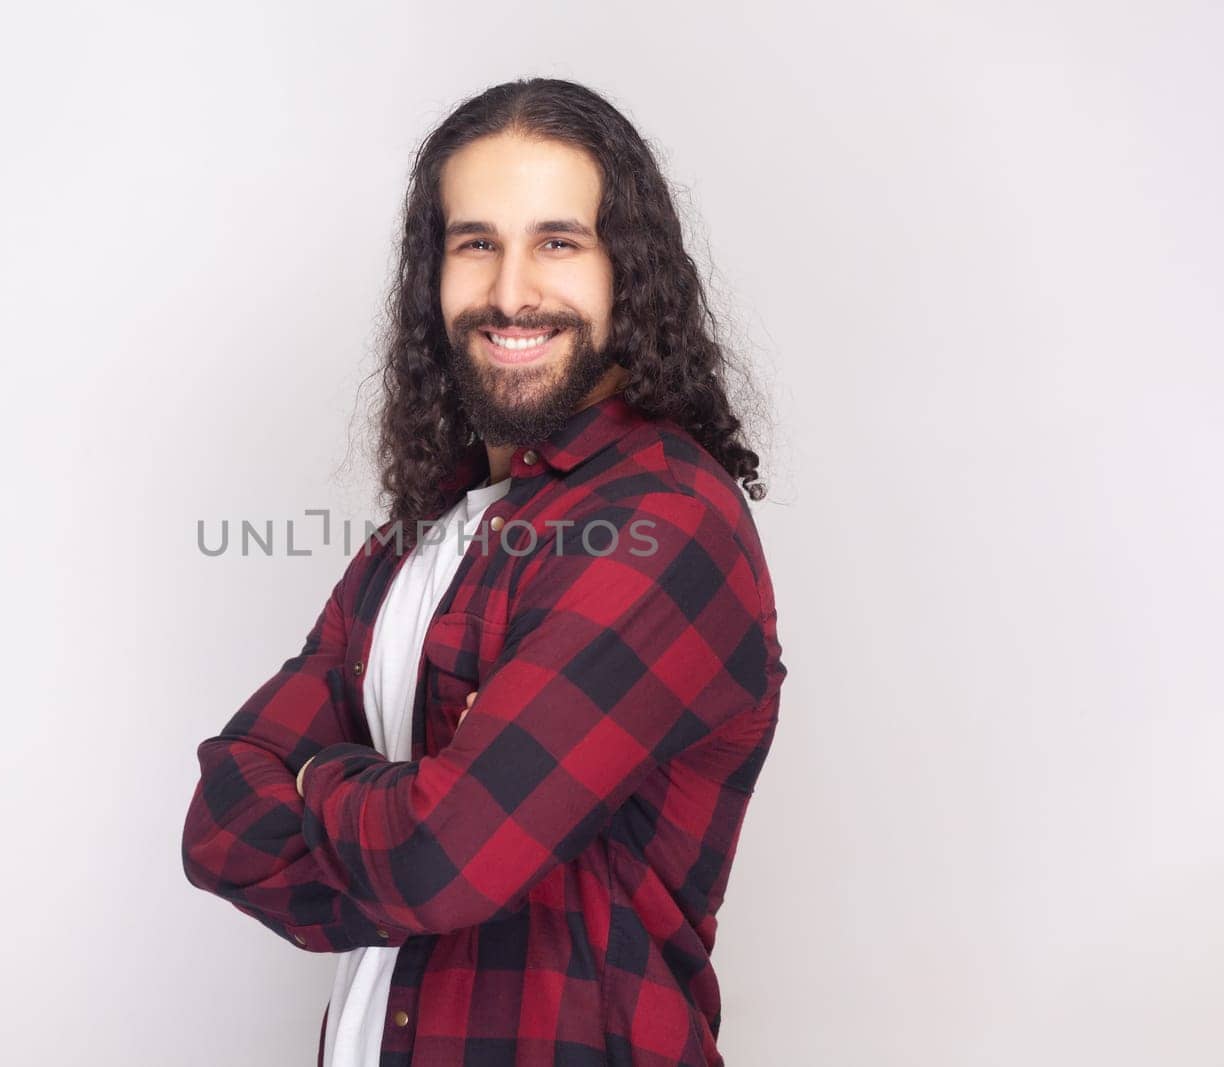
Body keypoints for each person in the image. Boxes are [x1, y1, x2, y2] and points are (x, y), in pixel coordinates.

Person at [181, 77, 787, 1067]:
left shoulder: (664, 522)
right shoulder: (422, 531)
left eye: (558, 241)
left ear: (625, 270)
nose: (511, 291)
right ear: (434, 273)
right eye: (476, 243)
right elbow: (216, 828)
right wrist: (414, 787)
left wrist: (313, 777)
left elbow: (436, 864)